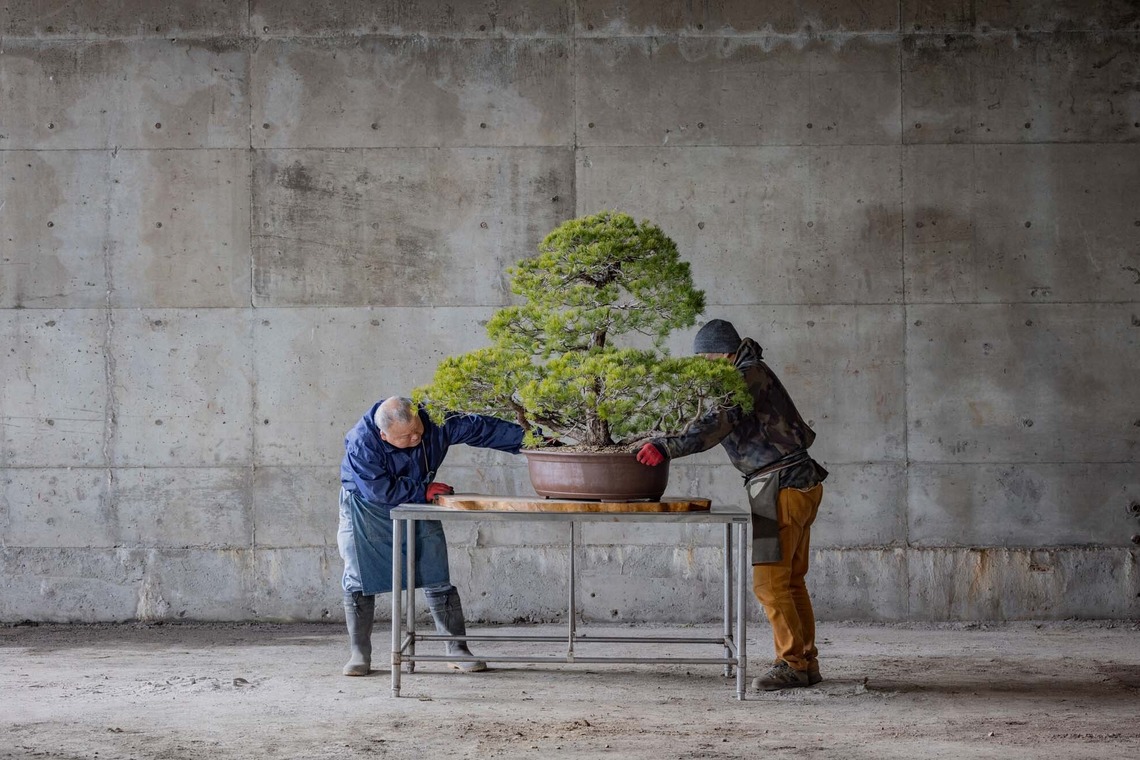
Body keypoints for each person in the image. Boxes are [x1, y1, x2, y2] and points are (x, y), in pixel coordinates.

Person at [635, 319, 828, 691]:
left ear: (721, 353)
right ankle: (805, 661)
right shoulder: (749, 370)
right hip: (797, 484)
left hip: (780, 486)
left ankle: (793, 664)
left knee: (769, 583)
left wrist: (665, 447)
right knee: (790, 581)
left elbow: (717, 424)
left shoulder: (744, 377)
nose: (701, 368)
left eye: (704, 359)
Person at [338, 396, 525, 676]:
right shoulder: (361, 442)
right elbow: (377, 490)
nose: (416, 437)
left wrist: (531, 441)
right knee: (358, 576)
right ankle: (359, 653)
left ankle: (456, 648)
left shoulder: (434, 418)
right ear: (383, 435)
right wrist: (422, 491)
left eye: (418, 430)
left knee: (436, 570)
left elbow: (480, 428)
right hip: (367, 505)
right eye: (406, 436)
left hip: (419, 497)